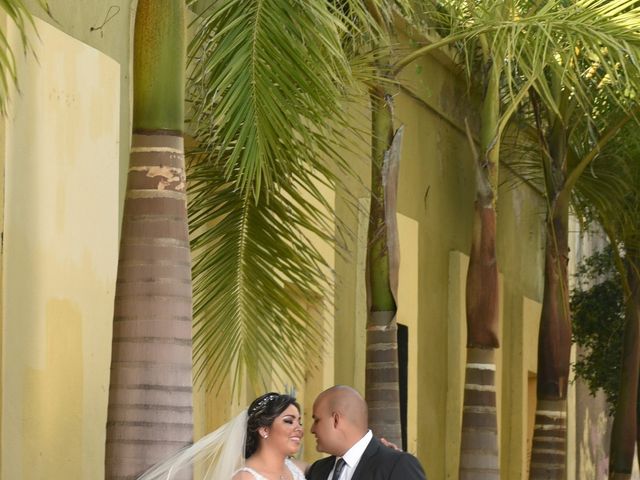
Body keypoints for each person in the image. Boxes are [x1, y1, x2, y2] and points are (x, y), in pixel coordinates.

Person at [136, 392, 306, 480]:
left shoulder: (299, 469)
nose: (299, 428)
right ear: (264, 430)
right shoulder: (245, 478)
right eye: (289, 421)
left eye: (300, 421)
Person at [306, 385, 427, 480]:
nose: (312, 429)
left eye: (317, 420)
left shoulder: (397, 465)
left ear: (336, 420)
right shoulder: (318, 470)